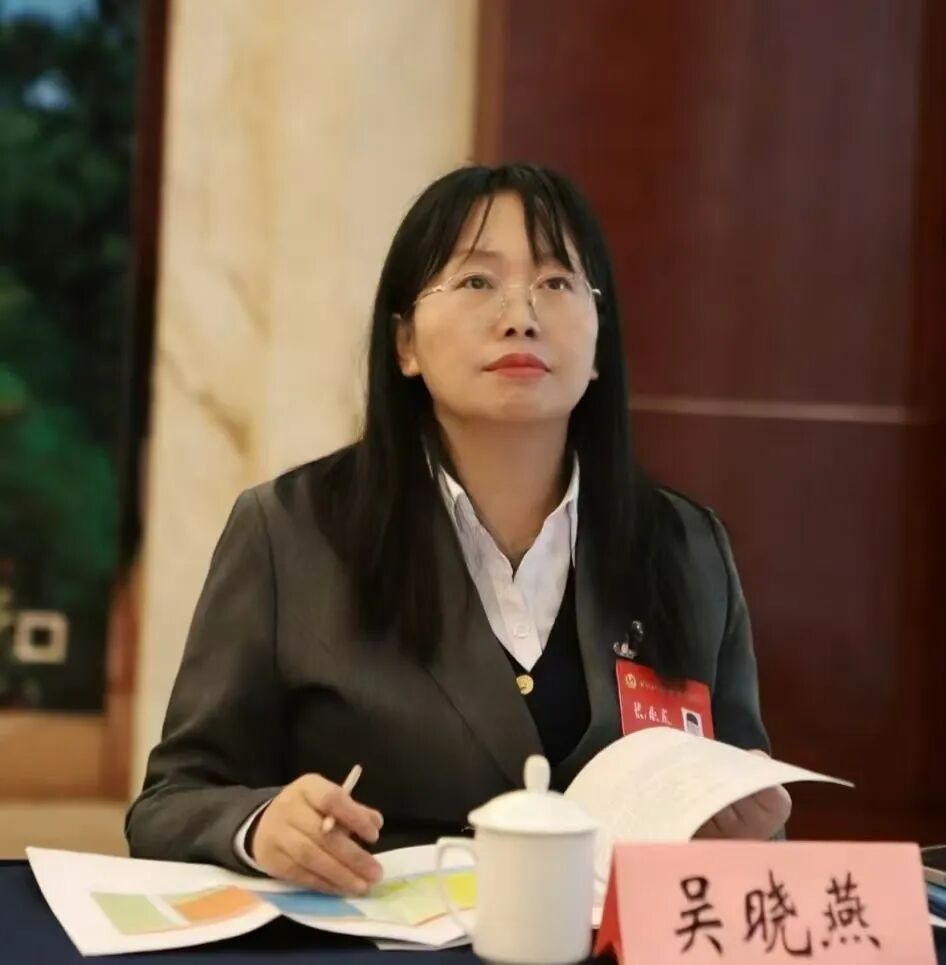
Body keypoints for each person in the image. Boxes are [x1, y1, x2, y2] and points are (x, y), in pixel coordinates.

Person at [126, 163, 790, 897]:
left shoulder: (686, 547)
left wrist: (747, 834)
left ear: (600, 344)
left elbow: (746, 805)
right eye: (478, 281)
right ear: (405, 344)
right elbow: (171, 803)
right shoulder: (289, 532)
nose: (521, 316)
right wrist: (259, 826)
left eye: (556, 282)